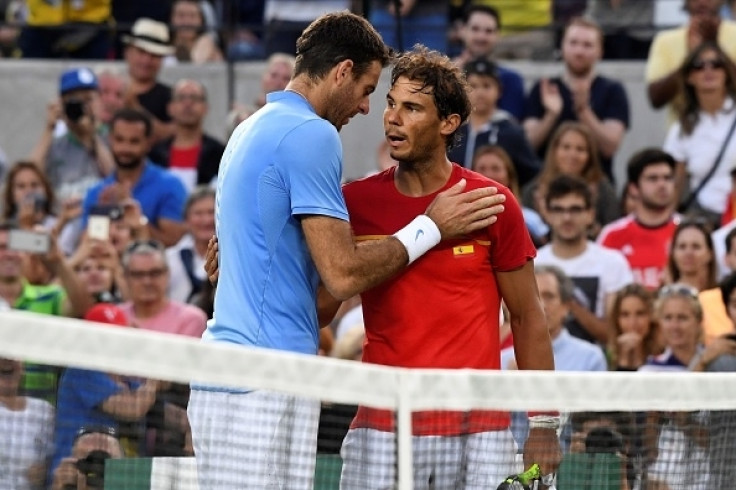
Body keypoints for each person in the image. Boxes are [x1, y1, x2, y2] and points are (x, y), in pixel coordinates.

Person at [188, 12, 506, 489]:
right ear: (341, 71)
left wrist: (233, 271)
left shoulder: (250, 128)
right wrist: (431, 227)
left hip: (241, 375)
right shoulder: (311, 134)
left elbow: (277, 273)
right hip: (261, 383)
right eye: (367, 90)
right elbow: (342, 275)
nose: (365, 109)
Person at [339, 46, 560, 489]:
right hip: (381, 428)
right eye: (390, 103)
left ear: (448, 124)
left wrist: (545, 423)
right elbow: (323, 302)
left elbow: (526, 315)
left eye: (412, 108)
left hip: (479, 430)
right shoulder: (355, 203)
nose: (392, 118)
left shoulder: (492, 203)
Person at [523, 17, 629, 183]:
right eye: (573, 43)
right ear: (562, 46)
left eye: (587, 45)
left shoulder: (613, 90)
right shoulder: (544, 88)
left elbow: (610, 147)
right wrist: (551, 115)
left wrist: (584, 111)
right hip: (546, 186)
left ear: (600, 51)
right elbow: (527, 146)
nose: (579, 51)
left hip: (596, 186)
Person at [535, 175, 634, 344]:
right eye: (559, 210)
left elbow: (616, 334)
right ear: (547, 215)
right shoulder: (531, 263)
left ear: (590, 215)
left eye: (575, 210)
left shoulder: (613, 263)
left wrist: (571, 305)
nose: (567, 218)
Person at [81, 109, 188, 248]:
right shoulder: (96, 192)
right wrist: (103, 212)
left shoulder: (170, 185)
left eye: (134, 141)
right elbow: (88, 246)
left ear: (149, 143)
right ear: (110, 139)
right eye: (120, 139)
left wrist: (134, 215)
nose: (125, 148)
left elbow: (173, 243)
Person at [663, 42, 736, 225]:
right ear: (689, 77)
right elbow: (675, 185)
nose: (708, 70)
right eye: (699, 66)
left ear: (726, 73)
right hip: (704, 218)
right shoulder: (681, 128)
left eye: (716, 64)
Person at [447, 58, 539, 186]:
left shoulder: (511, 131)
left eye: (487, 86)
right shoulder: (453, 130)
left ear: (499, 90)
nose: (480, 93)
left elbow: (531, 173)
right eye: (473, 86)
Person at [597, 149, 680, 290]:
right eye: (653, 179)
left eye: (667, 178)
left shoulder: (687, 231)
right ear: (634, 188)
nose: (662, 185)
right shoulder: (611, 235)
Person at [522, 122, 619, 237]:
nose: (572, 155)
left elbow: (613, 230)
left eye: (580, 149)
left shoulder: (603, 189)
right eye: (566, 147)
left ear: (590, 155)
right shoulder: (533, 191)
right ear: (554, 151)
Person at [646, 0, 736, 111]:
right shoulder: (665, 41)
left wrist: (713, 47)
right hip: (686, 126)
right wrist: (692, 58)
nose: (702, 2)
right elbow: (656, 98)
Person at [451, 4, 526, 120]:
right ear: (462, 31)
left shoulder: (511, 79)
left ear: (498, 35)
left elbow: (510, 127)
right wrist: (451, 79)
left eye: (489, 31)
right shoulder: (446, 75)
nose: (481, 37)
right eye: (475, 29)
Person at [148, 79, 225, 192]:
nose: (188, 104)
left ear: (205, 108)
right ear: (170, 108)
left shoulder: (219, 153)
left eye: (194, 98)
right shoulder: (155, 155)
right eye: (181, 98)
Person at [0, 357, 54, 490]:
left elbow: (53, 457)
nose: (7, 360)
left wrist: (44, 471)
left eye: (13, 356)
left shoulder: (43, 410)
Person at [121, 18, 175, 143]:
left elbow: (174, 134)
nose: (146, 61)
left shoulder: (169, 96)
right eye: (141, 52)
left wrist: (134, 108)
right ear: (128, 52)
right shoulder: (109, 88)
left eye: (154, 55)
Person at [608, 283, 661, 371]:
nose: (632, 323)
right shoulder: (606, 357)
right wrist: (623, 360)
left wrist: (638, 358)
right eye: (625, 315)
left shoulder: (664, 355)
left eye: (640, 314)